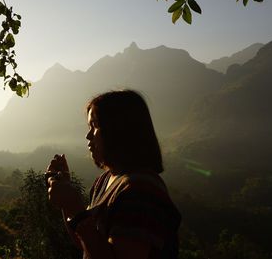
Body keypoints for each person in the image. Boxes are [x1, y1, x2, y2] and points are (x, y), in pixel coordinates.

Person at [45, 90, 181, 259]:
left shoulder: (140, 190)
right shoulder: (104, 181)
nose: (88, 136)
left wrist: (76, 209)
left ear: (117, 130)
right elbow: (85, 244)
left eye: (94, 126)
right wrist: (68, 204)